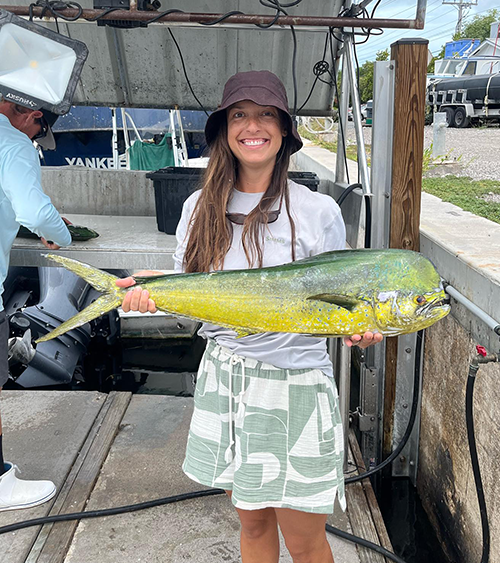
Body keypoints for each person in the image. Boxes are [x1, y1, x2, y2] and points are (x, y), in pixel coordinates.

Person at [117, 70, 382, 563]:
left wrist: (362, 330)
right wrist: (148, 289)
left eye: (266, 115)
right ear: (223, 130)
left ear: (284, 131)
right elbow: (188, 285)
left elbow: (345, 301)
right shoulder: (198, 206)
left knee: (304, 540)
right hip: (226, 376)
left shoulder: (318, 210)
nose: (252, 126)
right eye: (239, 114)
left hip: (295, 384)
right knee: (253, 522)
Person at [0, 99, 72, 511]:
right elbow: (33, 209)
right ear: (32, 117)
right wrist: (60, 234)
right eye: (36, 133)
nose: (34, 141)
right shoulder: (13, 142)